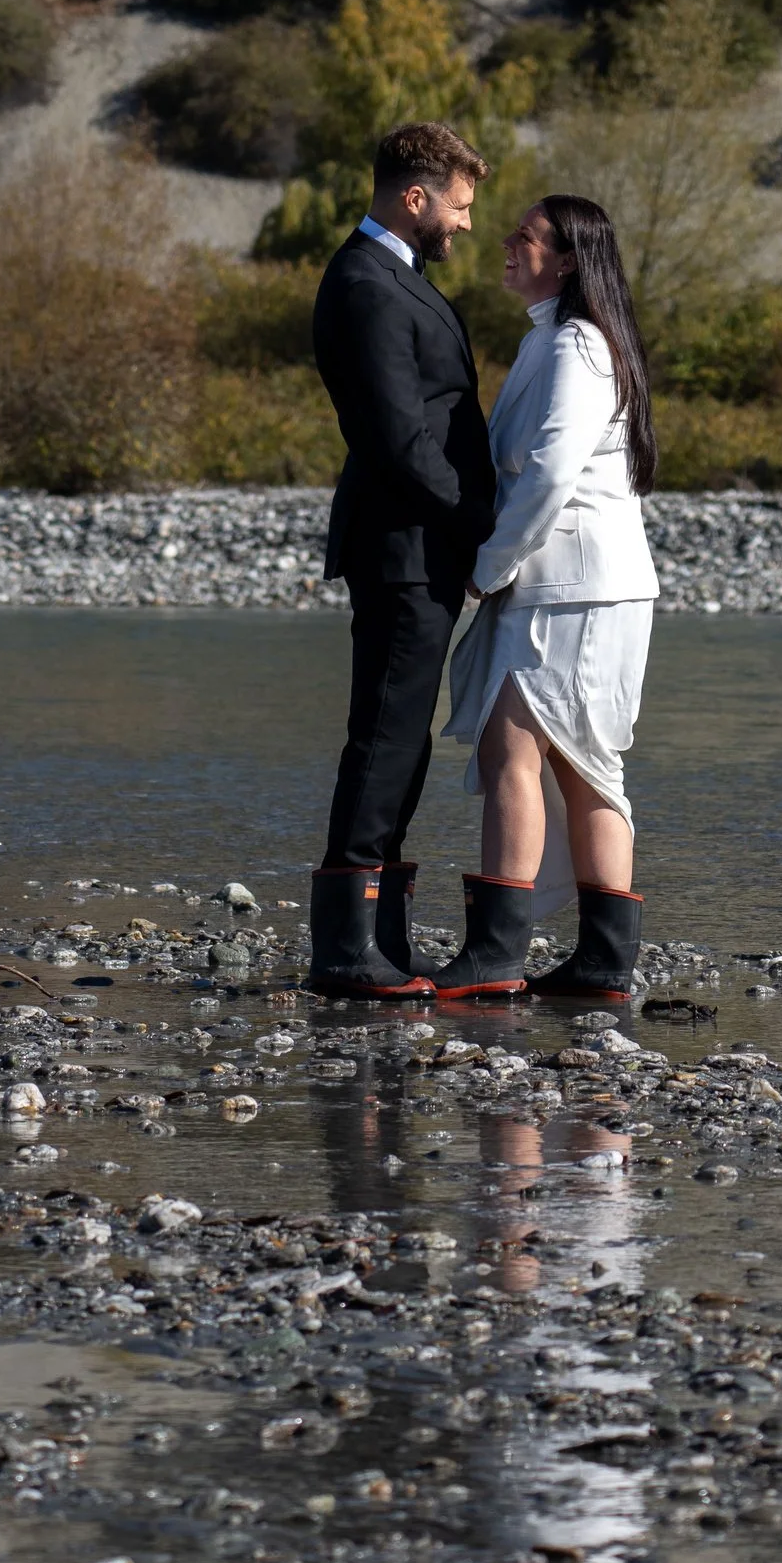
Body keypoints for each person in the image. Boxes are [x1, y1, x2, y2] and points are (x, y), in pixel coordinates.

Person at [435, 191, 658, 1005]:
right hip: (573, 586)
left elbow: (554, 473)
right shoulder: (559, 342)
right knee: (570, 764)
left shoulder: (577, 348)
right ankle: (598, 965)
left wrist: (488, 565)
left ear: (566, 259)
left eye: (524, 236)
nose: (505, 242)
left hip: (574, 588)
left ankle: (499, 954)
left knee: (524, 757)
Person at [306, 118, 496, 999]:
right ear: (413, 197)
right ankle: (347, 952)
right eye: (457, 207)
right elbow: (396, 437)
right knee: (384, 737)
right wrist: (478, 525)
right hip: (405, 548)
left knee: (403, 741)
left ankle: (378, 940)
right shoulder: (369, 283)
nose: (464, 224)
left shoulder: (395, 275)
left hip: (422, 546)